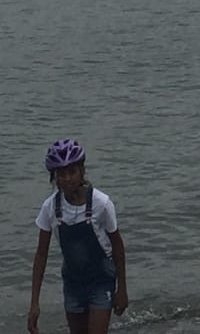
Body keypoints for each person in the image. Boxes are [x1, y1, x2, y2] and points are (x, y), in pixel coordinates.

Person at [29, 139, 127, 334]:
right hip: (73, 285)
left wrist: (122, 289)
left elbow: (117, 247)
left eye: (72, 172)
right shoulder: (50, 208)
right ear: (54, 177)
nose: (67, 179)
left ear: (82, 171)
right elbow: (41, 255)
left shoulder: (101, 203)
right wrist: (34, 304)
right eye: (62, 174)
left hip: (101, 280)